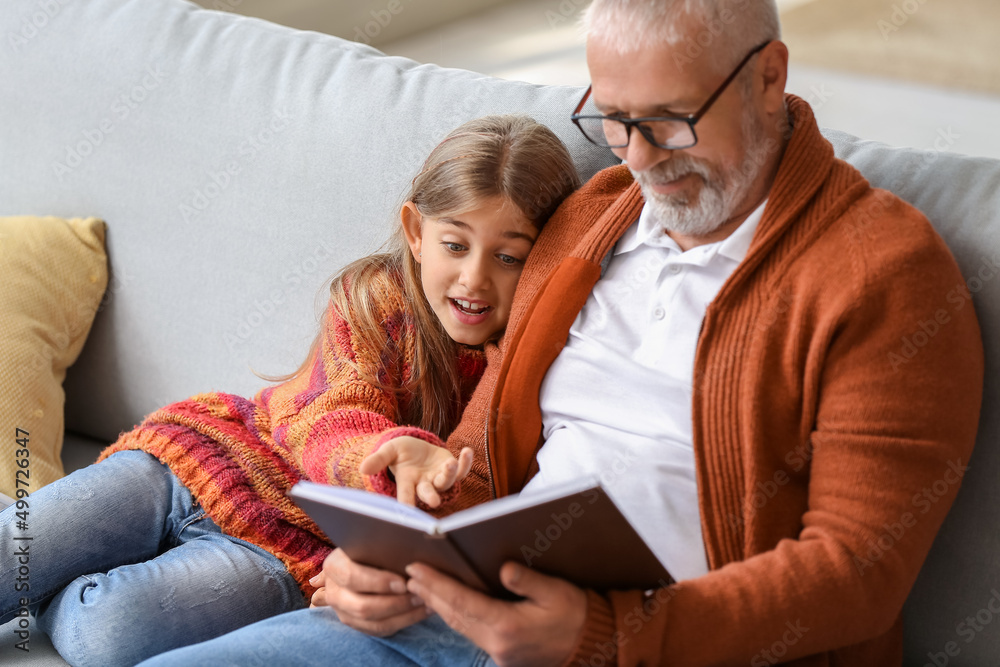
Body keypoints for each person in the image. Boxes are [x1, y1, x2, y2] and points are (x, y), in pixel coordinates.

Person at [138, 1, 985, 666]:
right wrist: (399, 564)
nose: (641, 157)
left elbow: (857, 573)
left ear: (770, 77)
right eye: (613, 119)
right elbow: (480, 455)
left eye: (670, 119)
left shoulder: (885, 272)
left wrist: (604, 635)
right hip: (466, 620)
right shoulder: (589, 220)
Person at [0, 114, 581, 667]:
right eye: (455, 245)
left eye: (509, 257)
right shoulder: (374, 297)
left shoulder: (522, 374)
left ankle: (57, 579)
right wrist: (389, 458)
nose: (475, 277)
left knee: (105, 631)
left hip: (289, 550)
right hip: (198, 460)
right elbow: (330, 417)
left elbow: (475, 514)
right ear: (415, 232)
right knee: (18, 546)